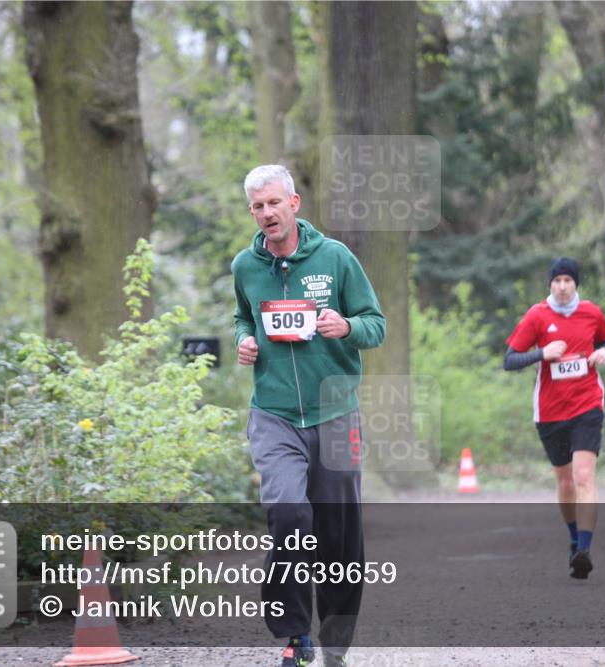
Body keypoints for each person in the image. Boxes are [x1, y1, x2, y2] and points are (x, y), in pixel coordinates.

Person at [232, 165, 386, 667]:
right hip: (274, 415)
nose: (266, 213)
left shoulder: (335, 258)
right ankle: (295, 633)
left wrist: (346, 326)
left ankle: (335, 645)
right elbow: (241, 316)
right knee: (289, 511)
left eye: (274, 203)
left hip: (336, 412)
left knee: (340, 539)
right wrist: (244, 340)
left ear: (294, 203)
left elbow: (375, 324)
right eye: (258, 206)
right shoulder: (244, 267)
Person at [503, 257, 605, 579]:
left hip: (588, 404)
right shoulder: (538, 316)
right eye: (557, 281)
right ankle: (574, 537)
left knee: (583, 477)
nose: (563, 287)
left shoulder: (592, 312)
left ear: (576, 284)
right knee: (565, 483)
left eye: (568, 281)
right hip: (550, 411)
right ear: (550, 284)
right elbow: (509, 360)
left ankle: (585, 550)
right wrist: (542, 353)